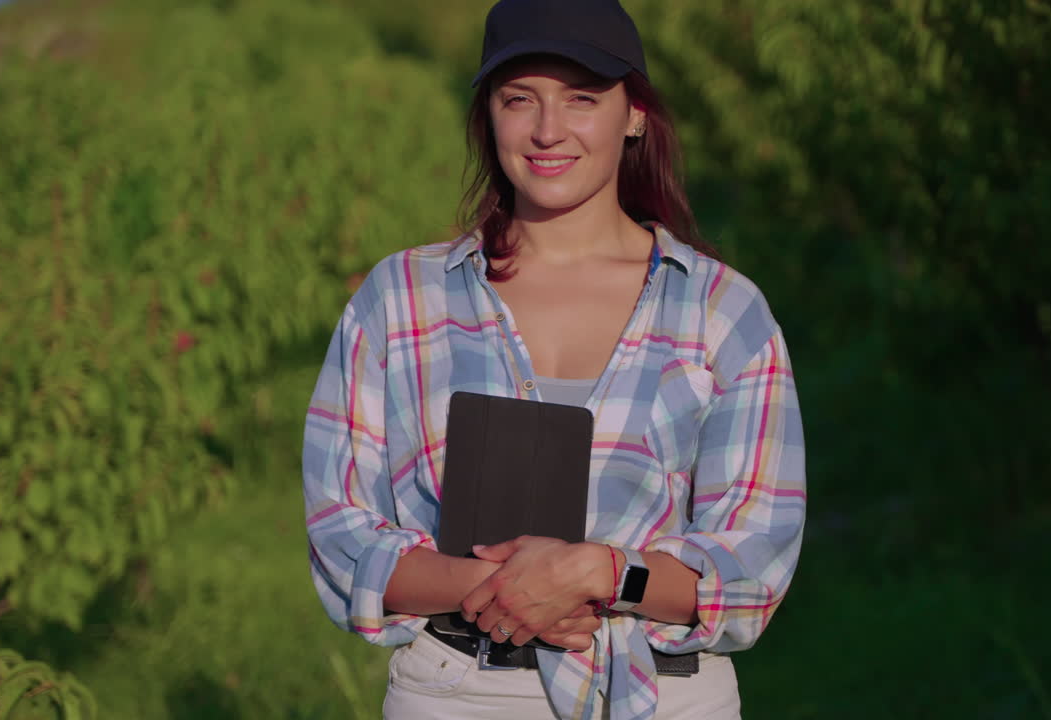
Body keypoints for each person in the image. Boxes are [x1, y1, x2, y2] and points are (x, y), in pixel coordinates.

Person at [302, 0, 806, 717]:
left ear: (634, 114)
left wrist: (601, 573)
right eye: (519, 100)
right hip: (460, 693)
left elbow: (753, 565)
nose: (546, 130)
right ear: (489, 117)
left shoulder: (725, 313)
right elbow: (342, 533)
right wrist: (520, 591)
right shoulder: (400, 298)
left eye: (581, 98)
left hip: (662, 697)